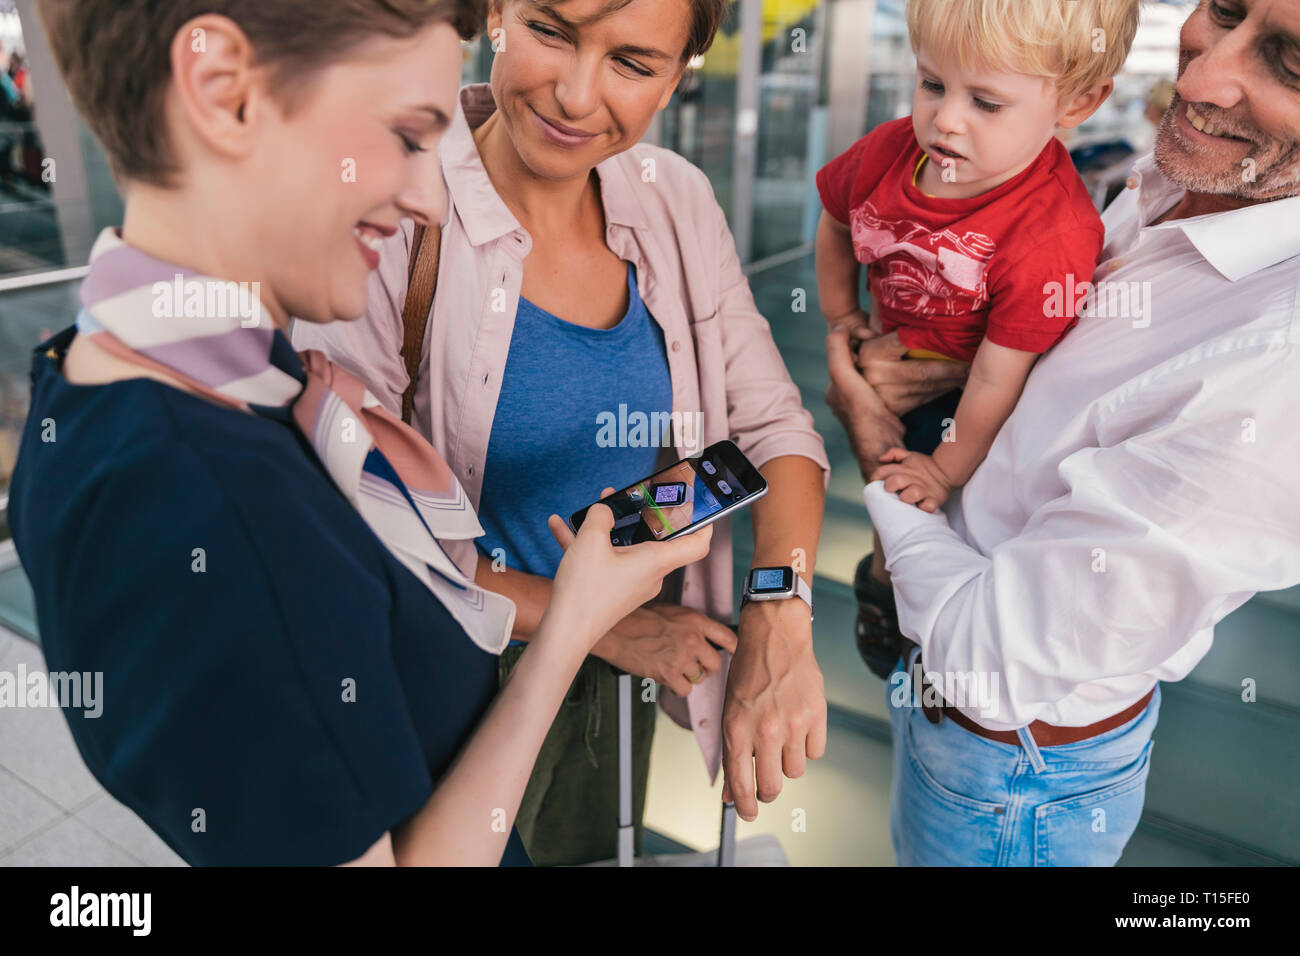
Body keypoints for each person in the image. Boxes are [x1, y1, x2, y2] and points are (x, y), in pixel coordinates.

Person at [10, 0, 711, 867]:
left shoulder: (118, 371)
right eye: (409, 135)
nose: (426, 199)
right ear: (223, 91)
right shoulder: (201, 509)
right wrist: (571, 628)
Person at [293, 0, 832, 864]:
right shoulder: (395, 207)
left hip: (619, 678)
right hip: (457, 669)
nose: (577, 97)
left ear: (679, 73)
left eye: (633, 63)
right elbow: (350, 526)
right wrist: (597, 622)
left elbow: (774, 425)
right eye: (550, 31)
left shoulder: (674, 201)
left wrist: (779, 606)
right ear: (497, 11)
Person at [828, 0, 1300, 866]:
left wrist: (878, 447)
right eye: (1225, 9)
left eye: (1292, 63)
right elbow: (1081, 377)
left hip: (1009, 769)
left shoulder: (1283, 370)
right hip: (942, 691)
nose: (1197, 77)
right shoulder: (1186, 180)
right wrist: (961, 373)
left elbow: (991, 661)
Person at [817, 0, 1139, 672]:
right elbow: (839, 221)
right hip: (892, 349)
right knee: (887, 488)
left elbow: (998, 377)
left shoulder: (1049, 233)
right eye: (932, 84)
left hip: (969, 401)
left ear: (1077, 103)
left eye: (986, 102)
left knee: (923, 511)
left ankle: (890, 592)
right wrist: (840, 314)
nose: (946, 119)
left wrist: (943, 468)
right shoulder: (890, 150)